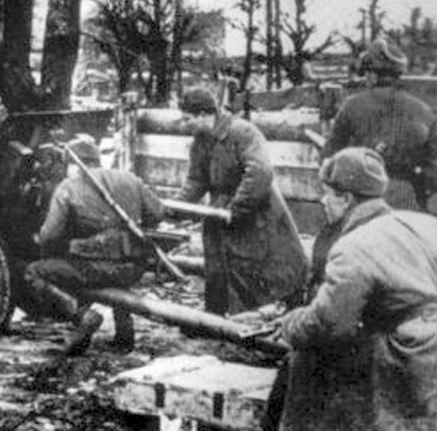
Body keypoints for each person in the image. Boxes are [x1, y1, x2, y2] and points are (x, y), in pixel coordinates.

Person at [274, 147, 437, 430]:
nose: (323, 201)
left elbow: (330, 325)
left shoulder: (353, 247)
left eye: (327, 194)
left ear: (346, 199)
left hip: (410, 360)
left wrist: (290, 324)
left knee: (306, 362)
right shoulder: (423, 223)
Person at [25, 136, 165, 356]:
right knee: (110, 268)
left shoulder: (69, 187)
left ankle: (82, 316)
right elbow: (157, 213)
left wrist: (40, 238)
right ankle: (124, 335)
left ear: (74, 164)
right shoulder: (129, 179)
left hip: (95, 269)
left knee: (35, 272)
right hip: (134, 268)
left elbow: (49, 236)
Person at [174, 88, 308, 315]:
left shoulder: (242, 132)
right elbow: (196, 181)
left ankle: (272, 316)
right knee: (219, 270)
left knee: (263, 269)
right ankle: (217, 320)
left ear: (204, 114)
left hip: (256, 212)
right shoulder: (200, 142)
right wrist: (174, 208)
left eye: (188, 119)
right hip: (220, 213)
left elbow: (259, 172)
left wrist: (236, 209)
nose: (185, 125)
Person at [322, 37, 437, 212]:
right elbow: (433, 169)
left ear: (372, 75)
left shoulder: (352, 106)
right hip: (409, 201)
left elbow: (329, 158)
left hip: (364, 200)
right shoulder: (424, 111)